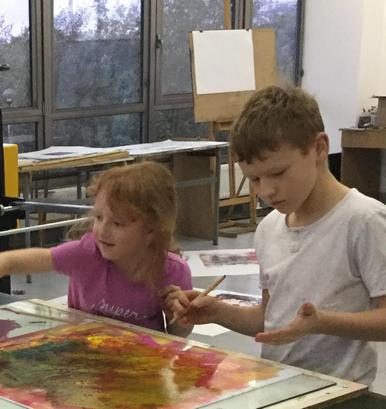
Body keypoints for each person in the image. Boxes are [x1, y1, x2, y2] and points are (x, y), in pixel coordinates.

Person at [163, 86, 386, 385]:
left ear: (319, 148)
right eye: (254, 179)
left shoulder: (364, 220)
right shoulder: (269, 228)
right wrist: (218, 312)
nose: (266, 191)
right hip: (280, 385)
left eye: (278, 173)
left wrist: (322, 322)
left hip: (343, 393)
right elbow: (270, 319)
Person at [0, 162, 193, 336]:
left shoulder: (172, 271)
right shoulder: (87, 254)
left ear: (152, 230)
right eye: (99, 217)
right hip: (82, 357)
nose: (101, 231)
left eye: (118, 223)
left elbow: (178, 338)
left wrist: (179, 316)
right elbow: (5, 262)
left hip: (139, 368)